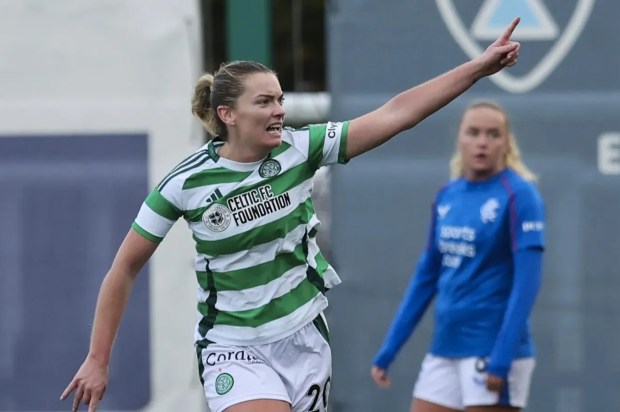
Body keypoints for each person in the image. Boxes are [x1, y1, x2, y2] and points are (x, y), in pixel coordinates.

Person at [61, 17, 522, 412]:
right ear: (228, 114)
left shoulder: (300, 150)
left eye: (280, 99)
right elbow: (124, 267)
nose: (279, 111)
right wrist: (98, 359)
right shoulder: (184, 183)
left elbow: (398, 113)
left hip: (305, 337)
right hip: (232, 347)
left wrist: (477, 69)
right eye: (264, 102)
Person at [370, 101, 545, 412]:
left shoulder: (519, 194)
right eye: (473, 132)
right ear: (459, 138)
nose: (482, 142)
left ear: (506, 143)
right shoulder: (448, 194)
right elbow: (426, 277)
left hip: (491, 349)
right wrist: (389, 349)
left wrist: (502, 357)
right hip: (445, 346)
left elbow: (527, 284)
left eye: (493, 134)